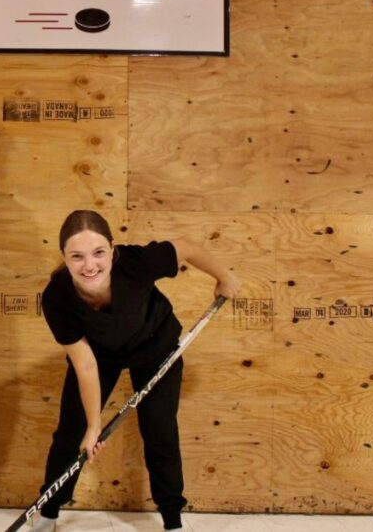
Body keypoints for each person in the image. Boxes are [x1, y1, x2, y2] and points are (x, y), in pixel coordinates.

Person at [29, 210, 240, 532]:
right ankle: (48, 512)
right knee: (72, 432)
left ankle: (172, 521)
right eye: (77, 256)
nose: (90, 265)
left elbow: (186, 248)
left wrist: (224, 276)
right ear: (65, 257)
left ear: (112, 250)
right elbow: (84, 363)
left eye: (99, 253)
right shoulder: (57, 297)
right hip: (100, 357)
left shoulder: (136, 263)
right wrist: (94, 427)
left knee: (159, 431)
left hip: (156, 348)